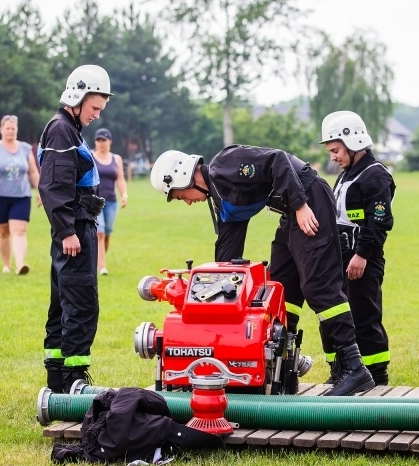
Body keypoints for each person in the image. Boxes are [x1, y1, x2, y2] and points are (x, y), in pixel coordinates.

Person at [150, 145, 376, 397]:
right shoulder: (221, 200)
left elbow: (277, 160)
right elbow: (226, 259)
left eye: (182, 196)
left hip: (308, 199)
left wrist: (300, 205)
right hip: (291, 209)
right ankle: (285, 370)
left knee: (318, 286)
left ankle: (354, 368)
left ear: (184, 177)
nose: (188, 202)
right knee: (280, 290)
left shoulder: (224, 164)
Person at [38, 65, 112, 393]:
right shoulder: (61, 130)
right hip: (75, 230)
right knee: (81, 303)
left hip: (77, 227)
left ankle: (58, 382)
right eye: (95, 107)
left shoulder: (69, 128)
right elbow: (54, 185)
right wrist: (68, 230)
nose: (97, 114)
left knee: (65, 302)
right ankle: (74, 384)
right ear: (77, 97)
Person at [320, 111, 395, 386]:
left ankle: (377, 376)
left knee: (364, 318)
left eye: (336, 150)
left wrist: (361, 255)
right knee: (335, 316)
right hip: (340, 258)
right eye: (330, 151)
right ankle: (340, 371)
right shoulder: (348, 173)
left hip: (363, 259)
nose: (333, 157)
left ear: (354, 143)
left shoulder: (375, 176)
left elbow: (379, 221)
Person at [0, 115, 40, 275]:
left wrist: (41, 190)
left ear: (17, 130)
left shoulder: (25, 149)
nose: (10, 131)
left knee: (19, 231)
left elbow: (33, 172)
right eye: (7, 128)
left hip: (21, 196)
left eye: (13, 128)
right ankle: (6, 264)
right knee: (3, 232)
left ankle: (20, 264)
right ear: (1, 130)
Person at [91, 128, 128, 275]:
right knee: (99, 233)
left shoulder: (116, 159)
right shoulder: (91, 157)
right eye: (98, 140)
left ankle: (99, 260)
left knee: (106, 234)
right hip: (94, 201)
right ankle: (102, 267)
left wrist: (124, 194)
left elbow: (120, 178)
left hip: (111, 201)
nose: (101, 143)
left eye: (104, 140)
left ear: (110, 142)